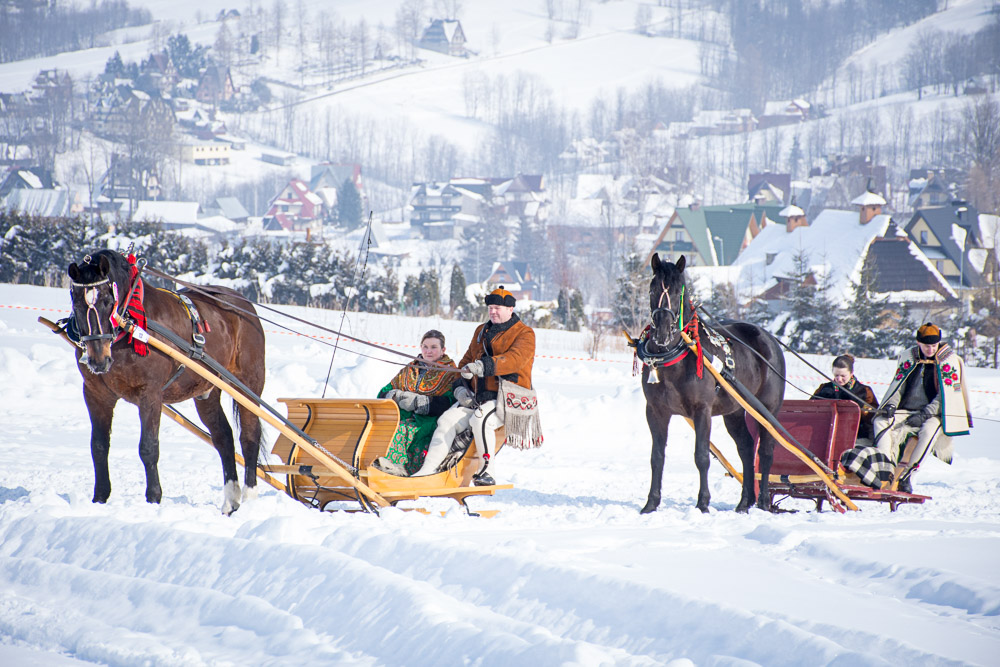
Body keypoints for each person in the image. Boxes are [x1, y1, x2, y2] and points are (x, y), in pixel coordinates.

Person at [413, 286, 537, 484]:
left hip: (507, 397)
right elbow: (465, 362)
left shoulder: (525, 333)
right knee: (446, 420)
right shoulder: (481, 331)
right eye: (490, 308)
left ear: (510, 309)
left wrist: (482, 366)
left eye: (497, 308)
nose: (493, 312)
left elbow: (515, 360)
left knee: (480, 419)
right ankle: (426, 471)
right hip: (478, 397)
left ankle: (487, 472)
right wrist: (460, 388)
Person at [870, 322, 973, 493]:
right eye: (926, 346)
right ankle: (885, 467)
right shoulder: (908, 357)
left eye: (933, 346)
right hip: (906, 410)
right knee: (881, 420)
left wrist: (925, 414)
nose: (930, 349)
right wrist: (891, 405)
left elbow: (944, 397)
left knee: (928, 431)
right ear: (918, 343)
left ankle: (908, 475)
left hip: (935, 414)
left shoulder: (949, 361)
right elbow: (898, 386)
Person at [374, 330, 457, 476]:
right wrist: (397, 396)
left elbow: (451, 402)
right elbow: (383, 392)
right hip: (402, 415)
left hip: (430, 420)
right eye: (425, 346)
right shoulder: (411, 368)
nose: (428, 351)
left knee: (403, 429)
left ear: (443, 350)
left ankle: (401, 470)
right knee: (379, 427)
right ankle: (373, 463)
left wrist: (420, 403)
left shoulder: (451, 372)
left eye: (433, 347)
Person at [810, 354, 879, 443]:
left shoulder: (864, 391)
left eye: (843, 376)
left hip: (857, 437)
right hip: (826, 435)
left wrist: (861, 408)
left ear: (851, 373)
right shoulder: (824, 388)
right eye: (836, 375)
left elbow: (873, 417)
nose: (839, 379)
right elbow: (810, 409)